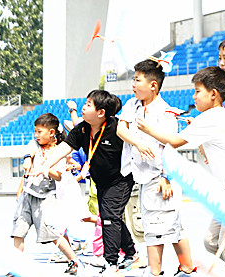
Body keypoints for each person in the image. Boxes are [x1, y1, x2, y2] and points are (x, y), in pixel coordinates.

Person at [137, 66, 225, 277]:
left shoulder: (211, 116)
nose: (193, 96)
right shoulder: (214, 116)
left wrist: (148, 129)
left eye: (197, 91)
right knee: (212, 241)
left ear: (213, 94)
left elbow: (175, 141)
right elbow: (207, 147)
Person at [32, 90, 155, 275]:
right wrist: (45, 165)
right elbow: (65, 147)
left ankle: (111, 263)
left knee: (109, 218)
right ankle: (132, 255)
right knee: (108, 216)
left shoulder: (116, 128)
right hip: (100, 181)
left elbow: (139, 142)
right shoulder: (82, 128)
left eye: (89, 104)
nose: (84, 106)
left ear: (101, 113)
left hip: (120, 180)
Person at [118, 59, 196, 276]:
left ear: (153, 85)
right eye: (133, 79)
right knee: (159, 225)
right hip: (141, 177)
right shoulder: (131, 105)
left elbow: (171, 145)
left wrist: (166, 176)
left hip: (160, 177)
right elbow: (121, 130)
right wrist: (139, 142)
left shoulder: (165, 112)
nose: (133, 84)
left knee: (165, 226)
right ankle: (185, 268)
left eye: (137, 80)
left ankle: (161, 271)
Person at [10, 113, 80, 275]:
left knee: (53, 233)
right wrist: (27, 161)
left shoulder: (59, 152)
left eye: (40, 132)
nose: (36, 135)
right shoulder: (34, 144)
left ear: (51, 132)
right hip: (27, 197)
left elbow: (59, 176)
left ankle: (73, 260)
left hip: (46, 199)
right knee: (18, 231)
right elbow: (28, 154)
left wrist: (47, 170)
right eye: (35, 131)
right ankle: (15, 268)